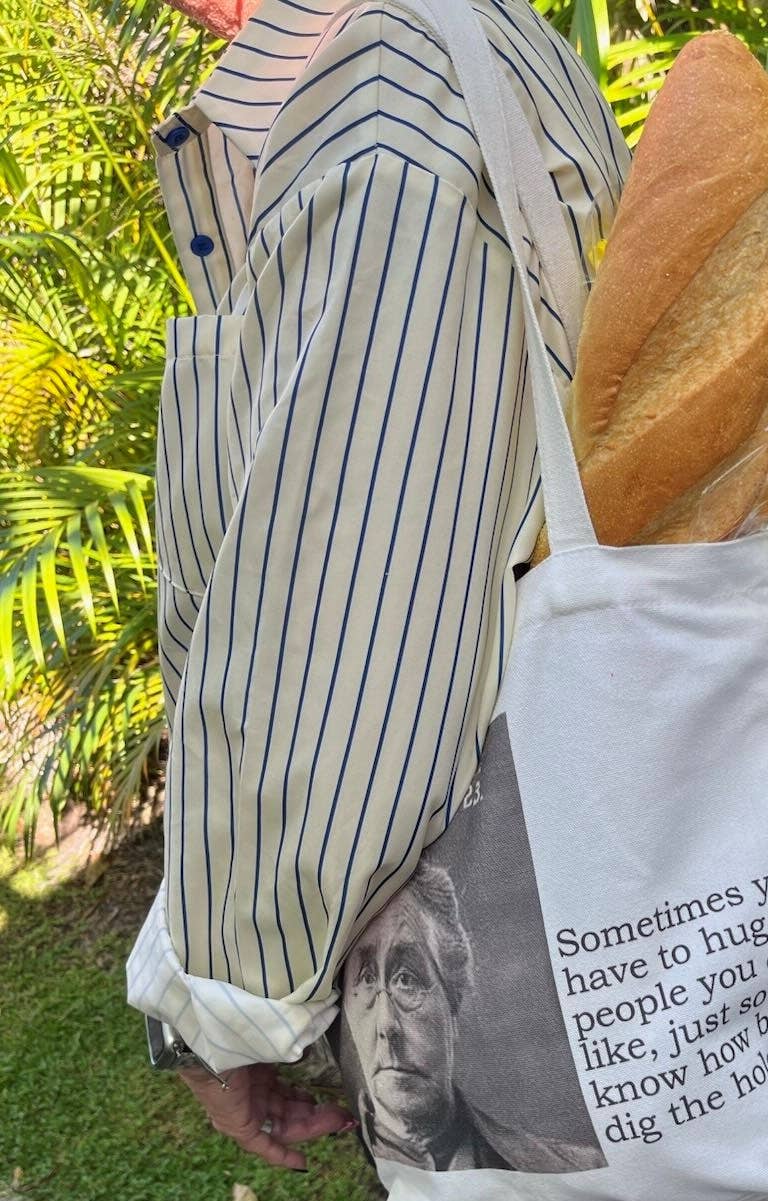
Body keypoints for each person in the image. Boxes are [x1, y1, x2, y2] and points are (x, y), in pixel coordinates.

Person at [124, 0, 629, 1173]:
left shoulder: (385, 118)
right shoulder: (483, 49)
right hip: (573, 870)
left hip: (498, 953)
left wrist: (215, 1009)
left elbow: (344, 684)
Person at [338, 860, 605, 1172]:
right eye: (367, 979)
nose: (386, 1025)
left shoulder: (577, 1166)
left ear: (453, 1009)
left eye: (408, 980)